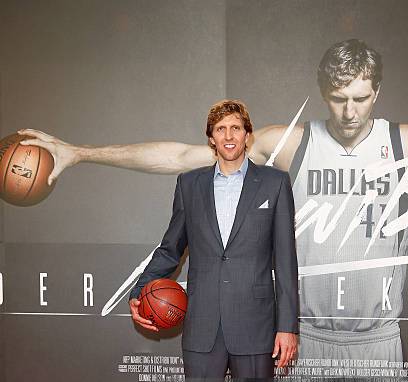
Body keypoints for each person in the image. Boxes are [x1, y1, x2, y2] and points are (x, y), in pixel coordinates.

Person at [18, 39, 408, 363]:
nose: (350, 112)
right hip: (307, 335)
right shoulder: (293, 143)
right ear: (325, 95)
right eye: (339, 99)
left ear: (378, 93)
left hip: (379, 337)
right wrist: (80, 153)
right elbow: (179, 158)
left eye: (361, 98)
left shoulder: (399, 143)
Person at [128, 99, 299, 382]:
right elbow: (170, 249)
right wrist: (140, 291)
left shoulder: (276, 184)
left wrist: (288, 326)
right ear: (210, 138)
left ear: (248, 135)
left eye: (236, 128)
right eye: (220, 129)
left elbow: (286, 261)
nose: (228, 136)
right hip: (203, 326)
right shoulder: (189, 185)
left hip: (257, 324)